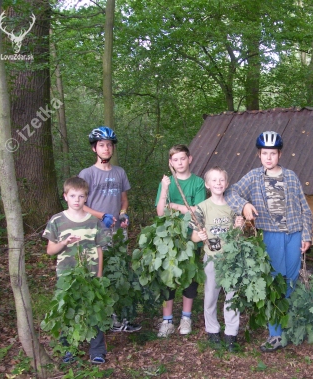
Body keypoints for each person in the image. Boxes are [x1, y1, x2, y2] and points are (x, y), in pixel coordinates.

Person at [225, 131, 313, 352]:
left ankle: (288, 322)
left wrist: (306, 235)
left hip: (293, 234)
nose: (269, 157)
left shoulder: (291, 177)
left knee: (291, 279)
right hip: (270, 236)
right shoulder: (254, 177)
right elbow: (231, 192)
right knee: (274, 281)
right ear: (259, 155)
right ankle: (275, 333)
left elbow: (304, 208)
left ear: (279, 154)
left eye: (273, 153)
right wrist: (244, 206)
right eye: (265, 153)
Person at [78, 126, 141, 333]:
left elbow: (124, 199)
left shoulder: (119, 172)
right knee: (100, 272)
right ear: (94, 149)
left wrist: (123, 213)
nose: (106, 148)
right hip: (96, 230)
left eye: (109, 145)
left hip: (117, 231)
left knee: (120, 270)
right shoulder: (87, 174)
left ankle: (121, 316)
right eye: (102, 145)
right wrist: (100, 216)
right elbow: (81, 205)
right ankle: (103, 316)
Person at [43, 176, 108, 364]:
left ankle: (97, 350)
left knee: (94, 309)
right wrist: (64, 242)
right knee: (68, 309)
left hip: (90, 273)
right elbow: (50, 250)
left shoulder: (93, 222)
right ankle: (68, 348)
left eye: (81, 196)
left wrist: (99, 273)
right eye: (73, 196)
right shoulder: (57, 220)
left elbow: (99, 248)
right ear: (66, 197)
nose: (77, 200)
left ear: (86, 198)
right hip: (66, 274)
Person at [190, 167, 244, 352]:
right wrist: (200, 234)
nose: (218, 183)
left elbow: (237, 236)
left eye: (221, 180)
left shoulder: (233, 206)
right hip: (212, 259)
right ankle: (212, 330)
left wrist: (239, 226)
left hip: (231, 260)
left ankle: (231, 334)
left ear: (226, 183)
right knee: (211, 296)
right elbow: (194, 237)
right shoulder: (202, 208)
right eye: (214, 180)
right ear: (207, 184)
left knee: (232, 296)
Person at [155, 144, 206, 337]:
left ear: (190, 159)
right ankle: (167, 320)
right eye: (175, 160)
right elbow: (161, 213)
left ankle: (186, 317)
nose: (179, 163)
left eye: (182, 159)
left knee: (189, 278)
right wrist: (165, 189)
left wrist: (175, 205)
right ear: (170, 163)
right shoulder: (166, 182)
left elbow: (198, 210)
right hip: (169, 238)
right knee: (168, 278)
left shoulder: (198, 182)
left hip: (192, 237)